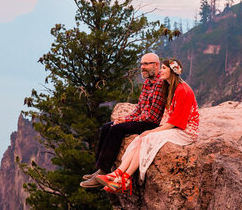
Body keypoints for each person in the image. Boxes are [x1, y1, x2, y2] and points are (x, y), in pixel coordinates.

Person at [95, 58, 199, 194]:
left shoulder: (183, 90)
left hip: (185, 131)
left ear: (172, 72)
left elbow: (176, 122)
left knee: (147, 138)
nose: (160, 71)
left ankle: (125, 179)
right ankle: (117, 174)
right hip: (175, 127)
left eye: (163, 68)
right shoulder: (170, 88)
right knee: (139, 139)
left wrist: (153, 131)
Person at [80, 53, 166, 188]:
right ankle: (98, 169)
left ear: (156, 65)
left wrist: (128, 122)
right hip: (142, 119)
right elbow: (139, 108)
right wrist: (125, 118)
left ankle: (104, 170)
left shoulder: (160, 84)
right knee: (108, 126)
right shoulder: (147, 83)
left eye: (146, 64)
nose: (142, 67)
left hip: (151, 123)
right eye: (142, 64)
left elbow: (151, 116)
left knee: (116, 129)